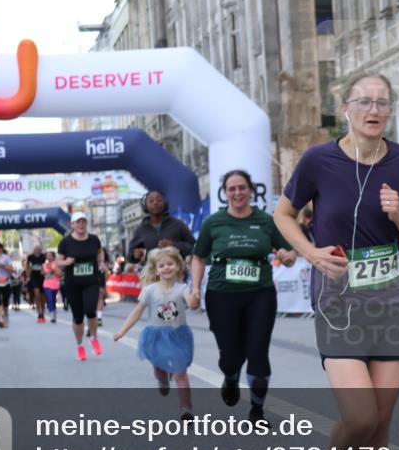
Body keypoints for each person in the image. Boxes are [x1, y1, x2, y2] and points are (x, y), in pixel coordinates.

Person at [272, 71, 399, 450]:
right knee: (359, 417)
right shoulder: (319, 160)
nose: (373, 109)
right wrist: (311, 252)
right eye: (364, 101)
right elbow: (282, 214)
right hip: (338, 298)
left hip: (389, 299)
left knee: (381, 420)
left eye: (382, 102)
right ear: (345, 109)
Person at [190, 169, 297, 423]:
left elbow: (288, 252)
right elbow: (198, 256)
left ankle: (257, 410)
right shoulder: (213, 223)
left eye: (242, 188)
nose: (237, 193)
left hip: (260, 293)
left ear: (250, 191)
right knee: (230, 354)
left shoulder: (266, 221)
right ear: (225, 193)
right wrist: (195, 289)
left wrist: (289, 256)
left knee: (258, 350)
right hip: (221, 294)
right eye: (232, 189)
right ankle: (230, 375)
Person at [114, 246, 195, 420]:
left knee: (181, 372)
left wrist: (194, 300)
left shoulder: (182, 288)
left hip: (178, 335)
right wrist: (122, 331)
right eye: (162, 265)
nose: (166, 267)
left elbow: (191, 302)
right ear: (156, 270)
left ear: (178, 266)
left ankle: (186, 409)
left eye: (170, 264)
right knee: (159, 367)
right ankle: (162, 379)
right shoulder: (150, 290)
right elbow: (137, 312)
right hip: (156, 336)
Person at [57, 212, 107, 360]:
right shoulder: (66, 242)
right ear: (72, 224)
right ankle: (80, 345)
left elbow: (100, 252)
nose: (81, 225)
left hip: (91, 281)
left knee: (91, 310)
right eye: (78, 222)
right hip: (73, 284)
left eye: (83, 222)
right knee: (78, 318)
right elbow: (58, 262)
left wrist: (101, 262)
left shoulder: (94, 239)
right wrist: (66, 262)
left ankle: (94, 338)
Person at [127, 190, 195, 264]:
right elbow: (130, 257)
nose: (155, 203)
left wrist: (174, 245)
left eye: (159, 200)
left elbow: (194, 247)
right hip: (152, 274)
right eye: (151, 201)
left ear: (165, 203)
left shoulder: (178, 224)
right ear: (145, 206)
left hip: (177, 273)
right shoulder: (141, 229)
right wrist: (135, 255)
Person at [26, 244, 48, 322]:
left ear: (41, 251)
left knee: (42, 296)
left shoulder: (44, 257)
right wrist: (28, 273)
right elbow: (27, 266)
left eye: (39, 250)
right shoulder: (30, 257)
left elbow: (47, 265)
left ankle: (42, 311)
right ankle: (39, 312)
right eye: (36, 250)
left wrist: (45, 271)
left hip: (43, 277)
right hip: (34, 277)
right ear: (34, 250)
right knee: (37, 294)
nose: (37, 251)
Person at [42, 251, 61, 324]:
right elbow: (42, 272)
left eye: (50, 255)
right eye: (47, 255)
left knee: (53, 299)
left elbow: (59, 274)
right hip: (46, 284)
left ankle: (54, 312)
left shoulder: (56, 264)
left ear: (53, 256)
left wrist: (52, 269)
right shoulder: (44, 265)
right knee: (49, 298)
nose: (48, 257)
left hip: (55, 284)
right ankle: (52, 315)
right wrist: (44, 272)